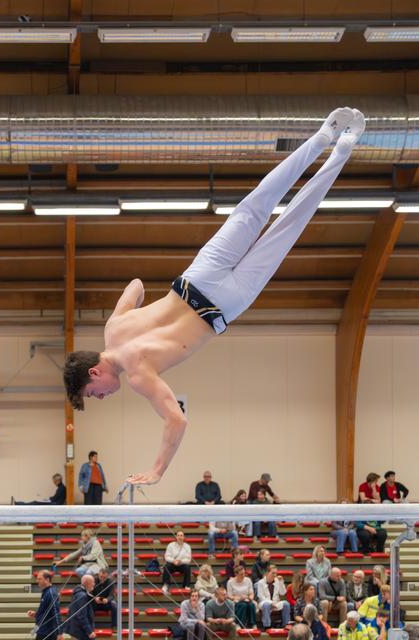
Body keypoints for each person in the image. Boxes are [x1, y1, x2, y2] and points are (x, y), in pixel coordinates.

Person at [63, 108, 365, 486]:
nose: (103, 396)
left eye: (95, 393)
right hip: (197, 277)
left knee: (289, 226)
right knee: (257, 205)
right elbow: (136, 284)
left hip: (225, 304)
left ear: (95, 372)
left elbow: (177, 419)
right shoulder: (115, 327)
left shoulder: (140, 374)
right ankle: (323, 137)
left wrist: (157, 471)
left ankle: (341, 150)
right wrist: (141, 312)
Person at [27, 570, 63, 640]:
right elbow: (45, 611)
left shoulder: (51, 593)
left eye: (39, 579)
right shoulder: (46, 592)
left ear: (47, 579)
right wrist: (36, 614)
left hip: (48, 633)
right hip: (42, 630)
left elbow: (56, 613)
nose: (37, 581)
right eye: (37, 578)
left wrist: (59, 633)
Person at [257, 565, 291, 629]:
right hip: (264, 603)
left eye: (276, 573)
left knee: (286, 604)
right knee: (266, 605)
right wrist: (271, 603)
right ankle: (267, 626)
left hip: (276, 603)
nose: (275, 575)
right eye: (273, 573)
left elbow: (283, 592)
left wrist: (281, 582)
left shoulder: (277, 581)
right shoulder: (260, 582)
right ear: (267, 573)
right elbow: (261, 597)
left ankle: (285, 624)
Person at [63, 574, 96, 640]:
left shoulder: (78, 592)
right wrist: (89, 631)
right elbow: (81, 615)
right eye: (93, 582)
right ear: (87, 583)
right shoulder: (82, 596)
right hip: (80, 632)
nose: (94, 584)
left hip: (76, 630)